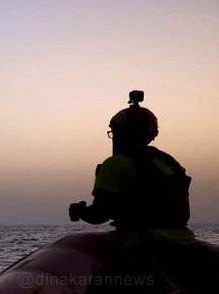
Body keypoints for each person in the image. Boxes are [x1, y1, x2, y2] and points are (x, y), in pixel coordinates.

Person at [69, 90, 192, 245]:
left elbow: (99, 215)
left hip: (145, 245)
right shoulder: (168, 162)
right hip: (185, 241)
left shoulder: (115, 164)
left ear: (120, 133)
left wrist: (79, 211)